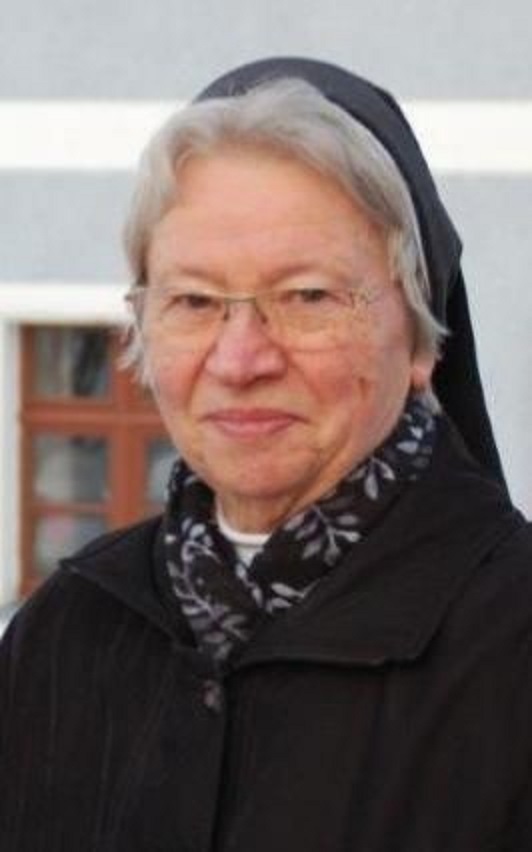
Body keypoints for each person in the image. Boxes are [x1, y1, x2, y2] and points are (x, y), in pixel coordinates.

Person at [1, 57, 531, 851]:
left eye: (307, 296)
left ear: (422, 338)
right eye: (194, 300)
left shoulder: (513, 646)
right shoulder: (65, 631)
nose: (240, 359)